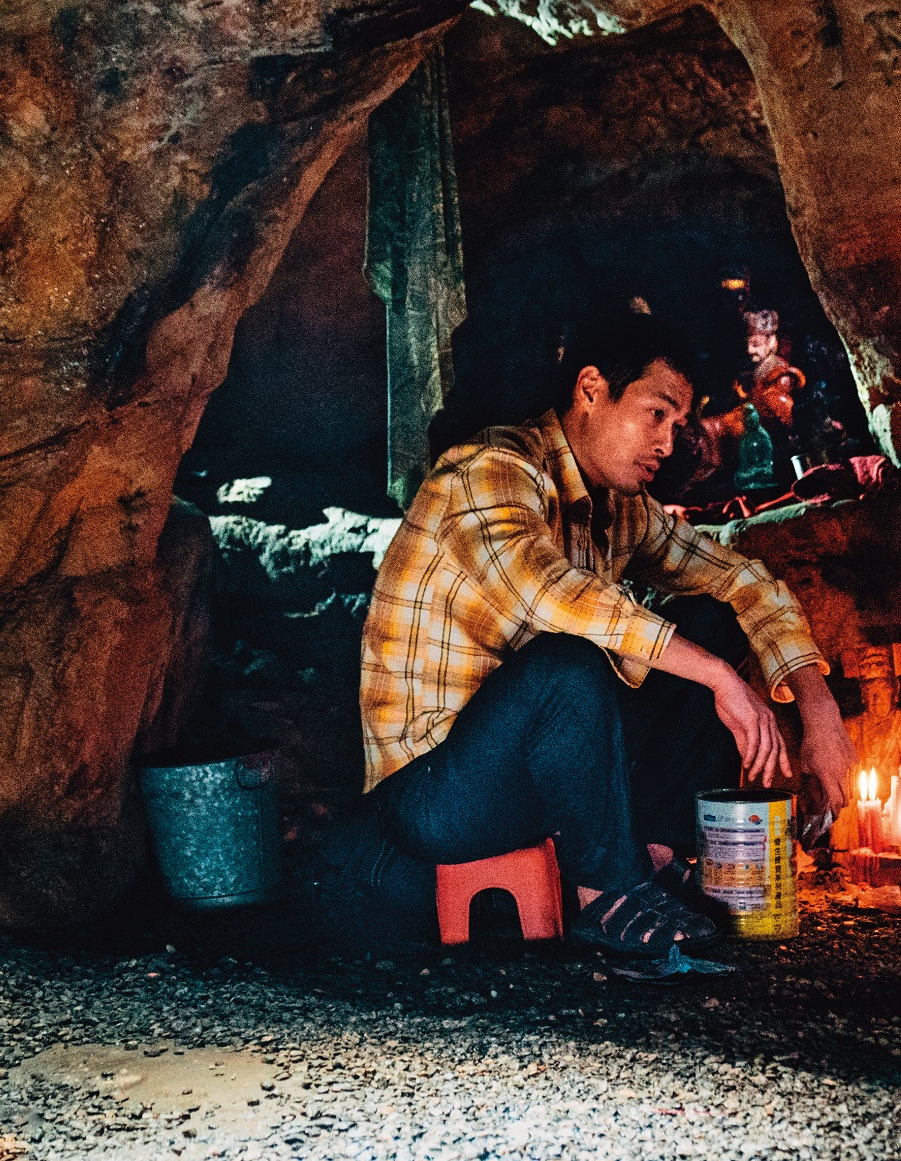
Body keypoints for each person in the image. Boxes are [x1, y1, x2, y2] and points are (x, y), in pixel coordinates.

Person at [360, 312, 855, 956]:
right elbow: (550, 595)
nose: (669, 443)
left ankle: (657, 861)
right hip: (432, 791)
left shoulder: (619, 507)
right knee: (568, 662)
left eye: (678, 425)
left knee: (711, 617)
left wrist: (818, 708)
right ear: (591, 390)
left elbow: (741, 579)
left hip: (541, 777)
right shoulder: (488, 471)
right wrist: (717, 675)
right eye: (656, 414)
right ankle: (610, 895)